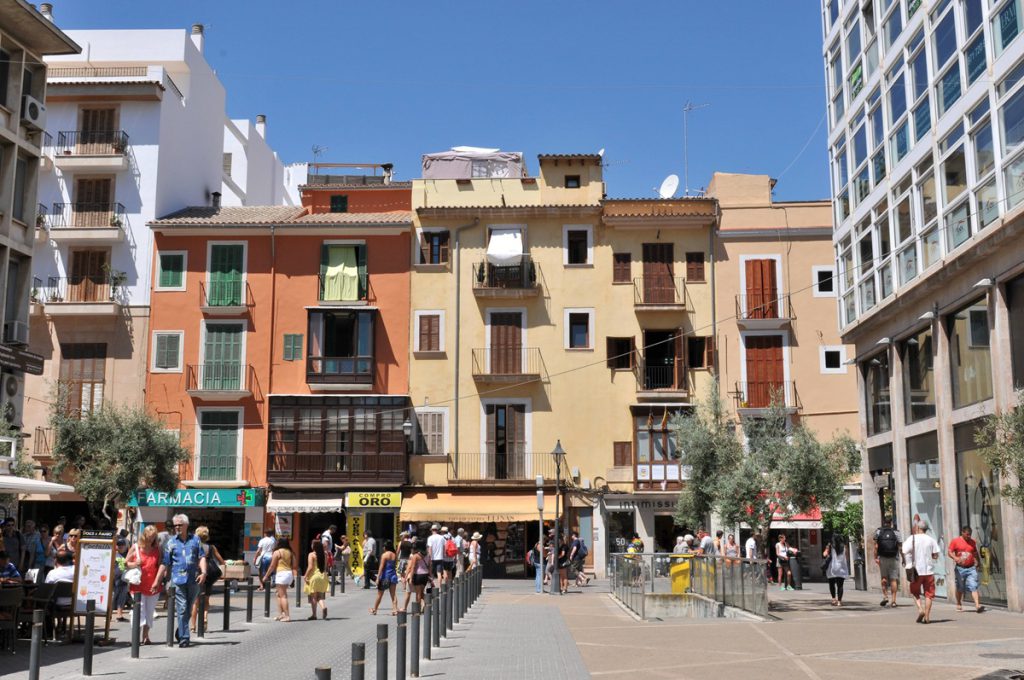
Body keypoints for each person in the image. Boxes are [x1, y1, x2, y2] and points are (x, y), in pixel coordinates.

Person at [152, 513, 208, 648]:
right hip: (178, 580)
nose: (177, 527)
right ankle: (184, 638)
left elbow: (201, 557)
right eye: (175, 525)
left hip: (194, 580)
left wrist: (204, 572)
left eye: (180, 525)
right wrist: (157, 581)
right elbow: (165, 563)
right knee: (182, 609)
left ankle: (180, 630)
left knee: (188, 610)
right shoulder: (171, 543)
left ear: (186, 525)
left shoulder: (195, 540)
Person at [126, 525, 162, 645]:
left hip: (153, 585)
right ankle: (135, 636)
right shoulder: (136, 547)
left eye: (153, 537)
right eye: (149, 537)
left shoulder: (157, 549)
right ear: (144, 535)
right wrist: (135, 563)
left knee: (149, 612)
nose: (151, 540)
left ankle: (145, 636)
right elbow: (125, 563)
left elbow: (160, 566)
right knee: (139, 610)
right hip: (138, 585)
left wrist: (159, 580)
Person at [903, 520, 941, 624]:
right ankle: (927, 617)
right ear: (926, 529)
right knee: (929, 595)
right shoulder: (931, 540)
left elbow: (905, 551)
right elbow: (936, 555)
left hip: (916, 571)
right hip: (928, 571)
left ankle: (920, 609)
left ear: (918, 528)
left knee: (915, 592)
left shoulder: (912, 538)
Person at [191, 526, 224, 632]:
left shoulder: (193, 546)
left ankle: (193, 626)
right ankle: (205, 617)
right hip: (209, 574)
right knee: (206, 600)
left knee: (195, 602)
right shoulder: (211, 547)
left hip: (197, 573)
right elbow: (221, 560)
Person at [948, 525, 985, 614]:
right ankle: (958, 603)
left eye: (970, 534)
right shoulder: (955, 541)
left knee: (974, 586)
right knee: (960, 588)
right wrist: (955, 558)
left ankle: (977, 606)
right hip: (960, 569)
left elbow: (975, 553)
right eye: (967, 534)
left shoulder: (972, 542)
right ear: (962, 532)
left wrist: (978, 562)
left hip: (971, 568)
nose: (969, 536)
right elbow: (949, 552)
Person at [263, 537, 295, 622]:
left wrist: (266, 576)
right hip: (288, 573)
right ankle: (281, 614)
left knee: (283, 595)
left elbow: (272, 566)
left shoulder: (277, 552)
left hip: (281, 574)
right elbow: (293, 565)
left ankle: (287, 616)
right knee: (278, 594)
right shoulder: (290, 552)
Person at [873, 518, 902, 608]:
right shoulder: (896, 532)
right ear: (891, 523)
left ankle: (885, 596)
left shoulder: (878, 531)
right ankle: (893, 601)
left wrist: (875, 557)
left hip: (882, 558)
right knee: (893, 579)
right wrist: (903, 558)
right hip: (893, 558)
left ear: (883, 523)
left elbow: (876, 546)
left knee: (884, 577)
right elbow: (900, 546)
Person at [370, 539, 399, 615]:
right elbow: (394, 565)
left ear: (385, 547)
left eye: (383, 546)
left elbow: (381, 567)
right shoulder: (394, 555)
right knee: (393, 594)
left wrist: (377, 578)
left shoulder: (384, 555)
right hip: (393, 575)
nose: (383, 548)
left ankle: (375, 609)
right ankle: (395, 610)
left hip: (385, 576)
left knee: (380, 594)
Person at [401, 538, 430, 612]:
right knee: (422, 591)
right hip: (425, 575)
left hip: (418, 575)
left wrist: (410, 578)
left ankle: (418, 609)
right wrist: (430, 575)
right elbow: (430, 565)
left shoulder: (416, 556)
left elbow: (412, 567)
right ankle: (425, 605)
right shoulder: (428, 555)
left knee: (418, 594)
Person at [304, 538, 329, 620]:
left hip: (314, 576)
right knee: (320, 597)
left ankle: (314, 615)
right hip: (322, 576)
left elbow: (310, 567)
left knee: (313, 597)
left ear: (314, 546)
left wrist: (305, 576)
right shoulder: (325, 554)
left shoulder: (311, 555)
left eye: (312, 544)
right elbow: (325, 567)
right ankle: (323, 607)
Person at [823, 534, 850, 606]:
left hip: (832, 567)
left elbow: (824, 554)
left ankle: (833, 599)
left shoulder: (830, 545)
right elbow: (847, 557)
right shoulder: (845, 546)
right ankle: (839, 602)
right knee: (840, 585)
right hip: (841, 567)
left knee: (832, 584)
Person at [112, 537, 130, 622]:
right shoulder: (113, 554)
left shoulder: (128, 555)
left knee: (122, 599)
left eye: (122, 544)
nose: (120, 546)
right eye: (118, 544)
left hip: (124, 580)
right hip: (114, 580)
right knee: (112, 598)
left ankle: (119, 615)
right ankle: (109, 616)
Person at [253, 528, 276, 592]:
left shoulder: (262, 540)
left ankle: (262, 586)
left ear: (265, 534)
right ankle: (268, 586)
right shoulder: (273, 541)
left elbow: (258, 551)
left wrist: (255, 558)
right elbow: (273, 550)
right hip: (271, 557)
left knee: (260, 572)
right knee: (268, 572)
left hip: (263, 558)